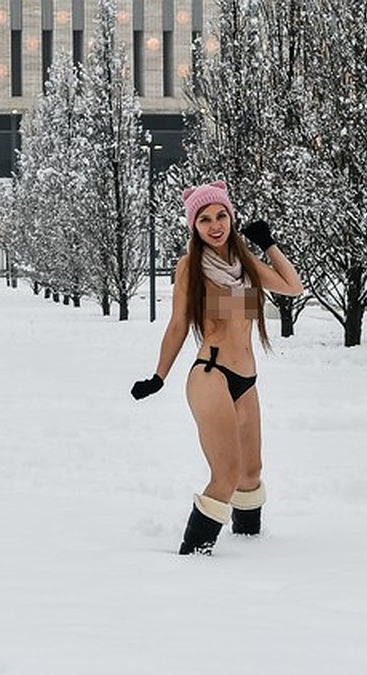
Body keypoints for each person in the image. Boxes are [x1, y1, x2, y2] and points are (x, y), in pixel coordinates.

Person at [131, 180, 303, 555]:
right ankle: (193, 555)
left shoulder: (246, 266)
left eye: (221, 215)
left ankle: (250, 547)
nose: (215, 225)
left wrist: (268, 243)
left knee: (250, 473)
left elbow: (293, 286)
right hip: (211, 375)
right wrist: (158, 376)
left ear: (231, 217)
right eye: (205, 218)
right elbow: (178, 324)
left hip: (247, 381)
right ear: (194, 226)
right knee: (225, 474)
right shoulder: (191, 267)